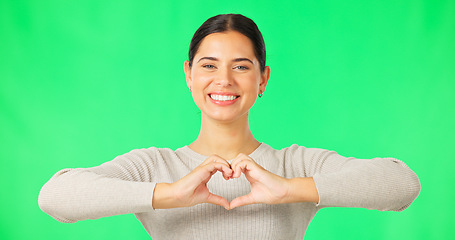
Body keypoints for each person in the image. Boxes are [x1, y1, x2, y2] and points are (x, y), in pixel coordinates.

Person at [38, 14, 421, 240]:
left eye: (241, 66)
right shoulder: (154, 167)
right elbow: (55, 197)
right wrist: (168, 194)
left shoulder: (294, 165)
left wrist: (288, 189)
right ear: (188, 75)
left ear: (263, 79)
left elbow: (402, 184)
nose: (223, 80)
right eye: (208, 65)